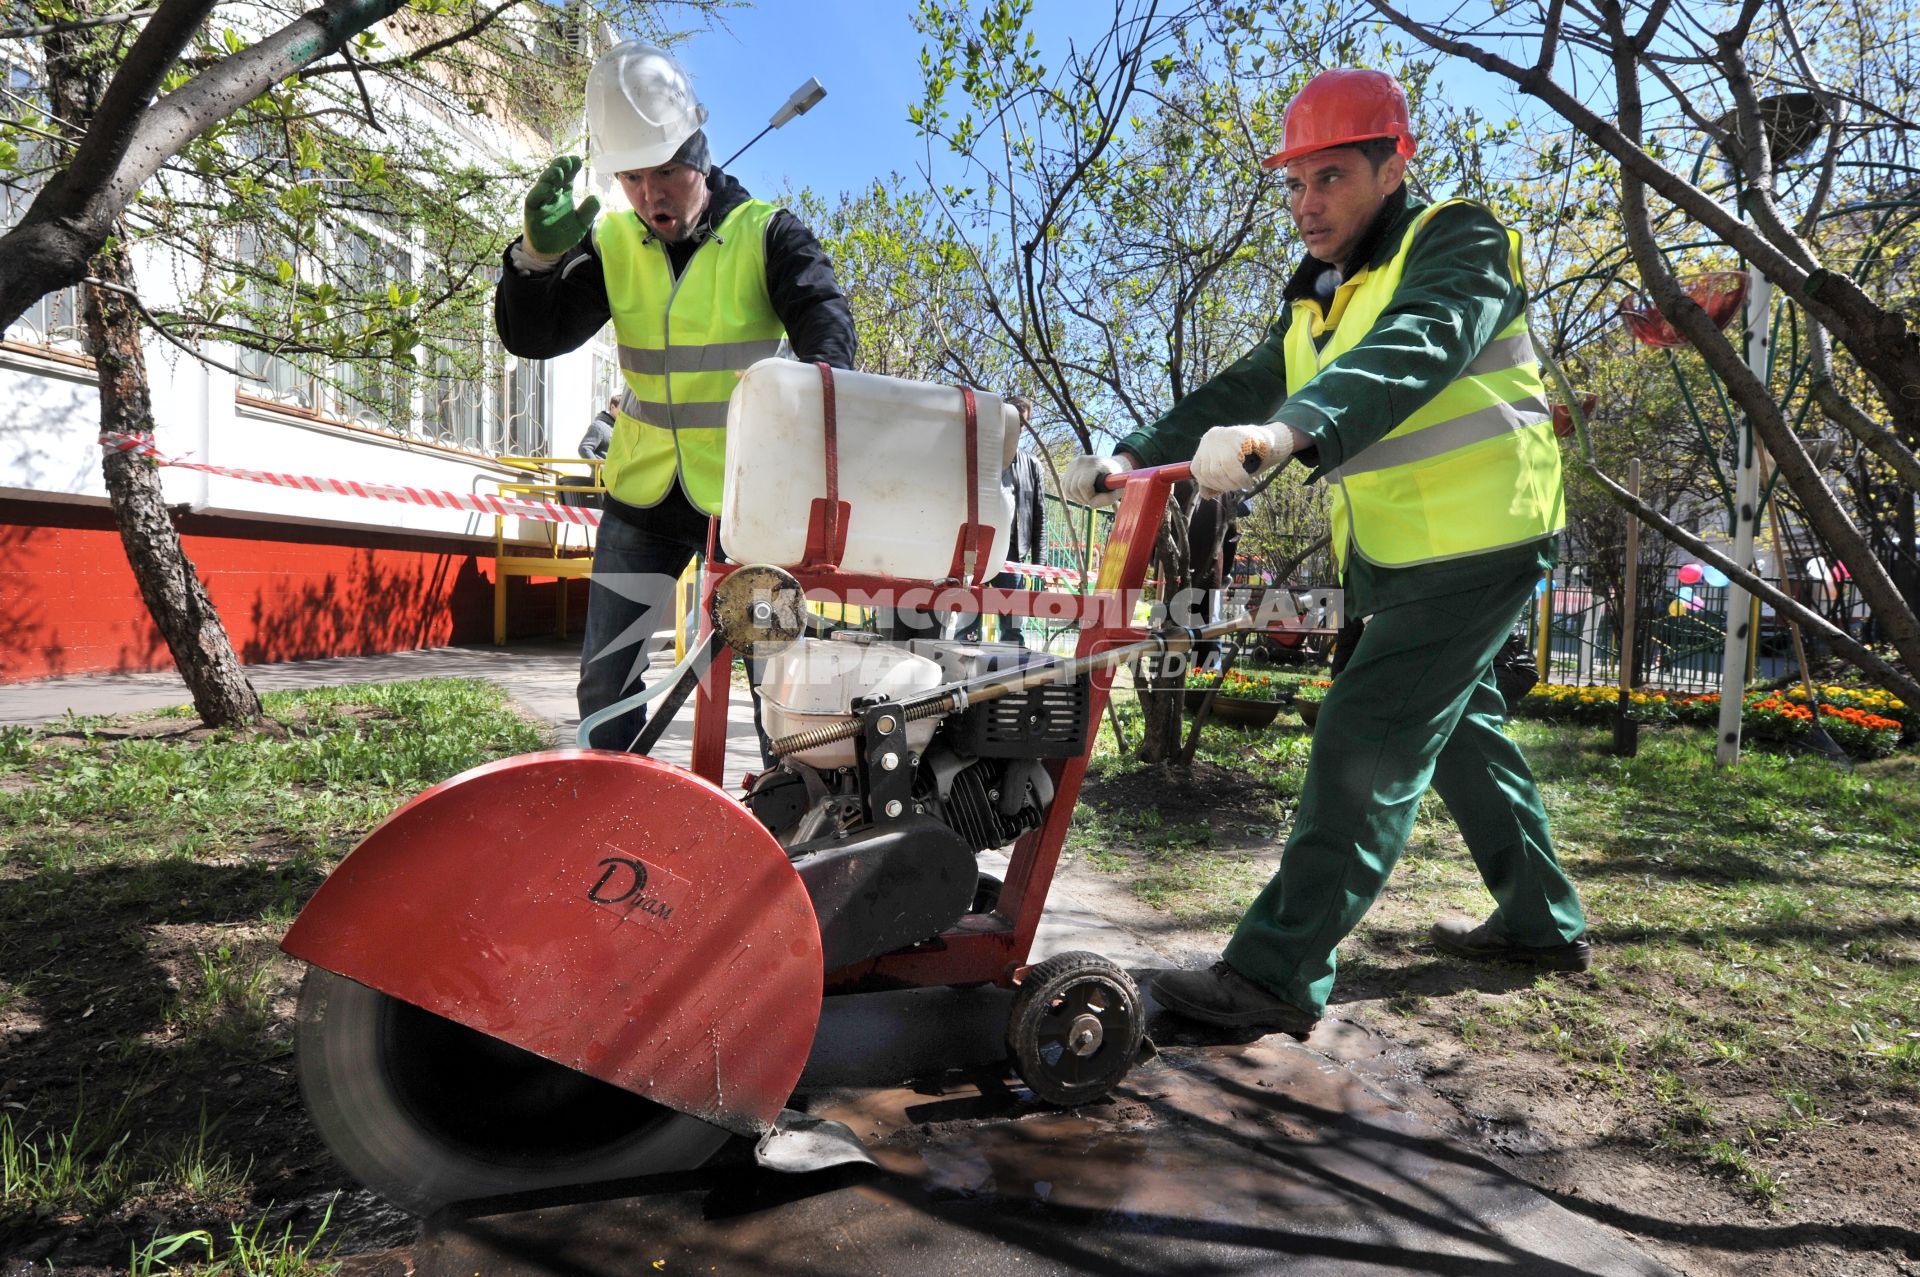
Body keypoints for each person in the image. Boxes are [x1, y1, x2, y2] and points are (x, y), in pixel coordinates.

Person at [1062, 68, 1587, 1039]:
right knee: (1462, 726)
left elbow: (1420, 345)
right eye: (1295, 185)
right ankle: (1542, 918)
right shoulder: (1318, 297)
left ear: (1395, 167)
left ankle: (1275, 970)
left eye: (1332, 178)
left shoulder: (1457, 241)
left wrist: (1296, 428)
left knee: (1368, 735)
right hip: (1405, 549)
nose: (1307, 205)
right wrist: (1138, 455)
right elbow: (1253, 377)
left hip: (1486, 534)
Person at [495, 41, 855, 750]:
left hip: (750, 507)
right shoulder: (613, 242)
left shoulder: (768, 235)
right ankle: (619, 828)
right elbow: (536, 338)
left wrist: (817, 405)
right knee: (606, 684)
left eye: (665, 172)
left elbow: (828, 328)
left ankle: (789, 835)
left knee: (778, 688)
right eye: (631, 178)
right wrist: (535, 261)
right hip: (643, 504)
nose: (650, 195)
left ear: (700, 154)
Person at [579, 396, 617, 461]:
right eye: (623, 409)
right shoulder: (599, 426)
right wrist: (600, 468)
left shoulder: (619, 428)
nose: (625, 412)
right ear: (613, 407)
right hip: (604, 470)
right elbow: (584, 448)